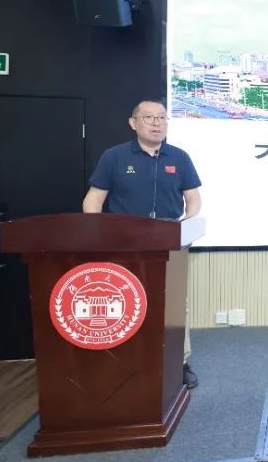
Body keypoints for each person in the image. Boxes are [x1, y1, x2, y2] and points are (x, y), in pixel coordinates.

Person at [82, 100, 202, 389]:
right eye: (149, 117)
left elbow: (193, 198)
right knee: (125, 300)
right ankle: (125, 361)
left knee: (175, 304)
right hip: (123, 244)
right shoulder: (114, 157)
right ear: (133, 123)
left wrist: (186, 226)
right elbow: (94, 198)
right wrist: (95, 234)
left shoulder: (179, 157)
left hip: (169, 243)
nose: (156, 123)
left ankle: (179, 362)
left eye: (162, 117)